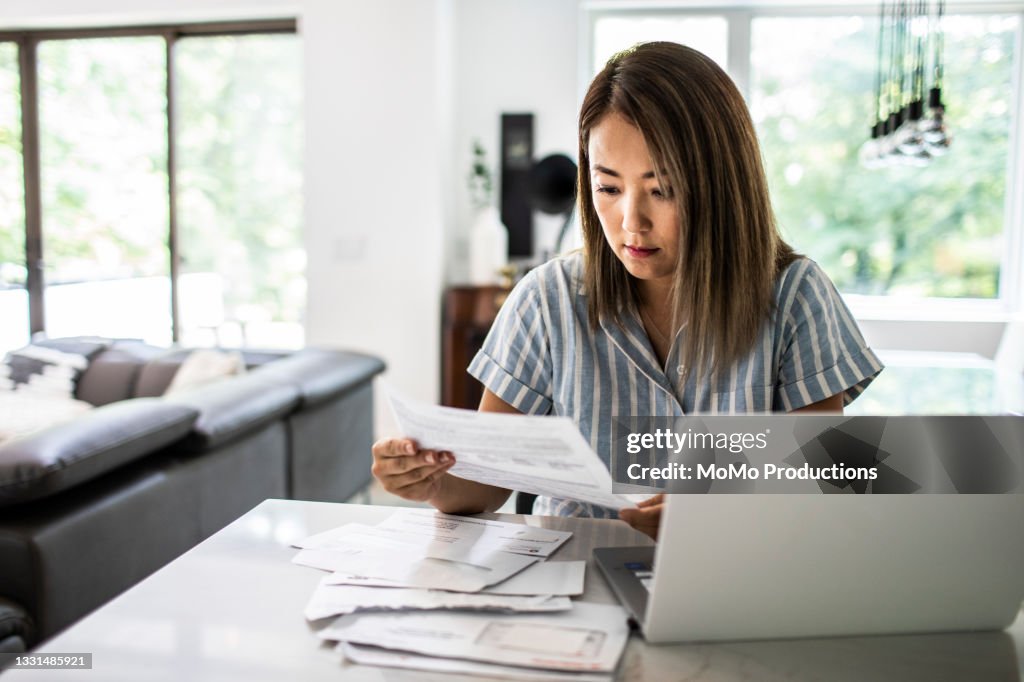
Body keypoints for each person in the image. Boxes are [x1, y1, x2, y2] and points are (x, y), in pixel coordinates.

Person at [371, 42, 883, 539]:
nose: (630, 222)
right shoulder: (548, 299)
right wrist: (432, 479)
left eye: (663, 190)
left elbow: (826, 484)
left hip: (736, 583)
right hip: (570, 590)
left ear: (722, 186)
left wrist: (717, 512)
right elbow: (483, 486)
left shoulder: (796, 297)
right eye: (608, 188)